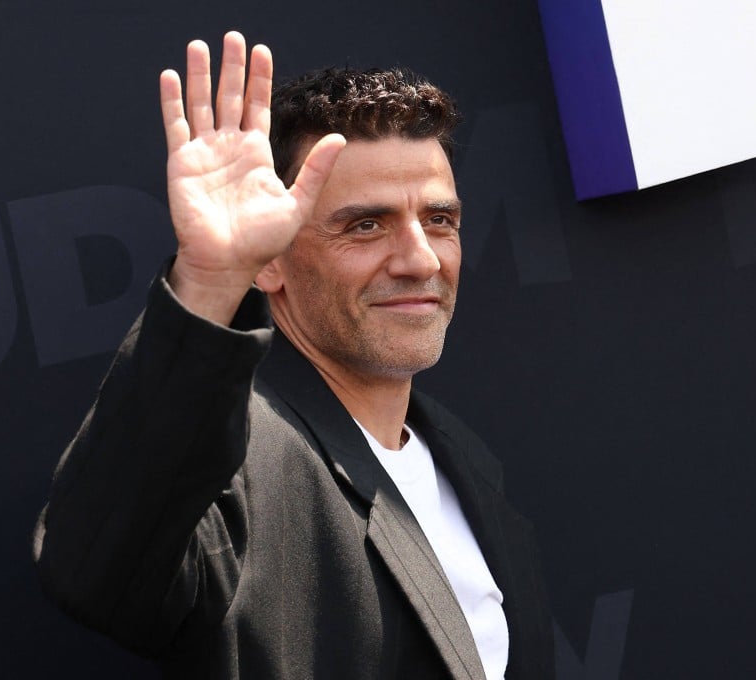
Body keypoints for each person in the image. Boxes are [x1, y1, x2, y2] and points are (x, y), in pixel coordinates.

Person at [34, 31, 553, 680]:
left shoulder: (464, 459)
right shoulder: (240, 461)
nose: (421, 258)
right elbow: (95, 571)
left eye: (440, 220)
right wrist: (212, 280)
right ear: (272, 260)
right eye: (366, 225)